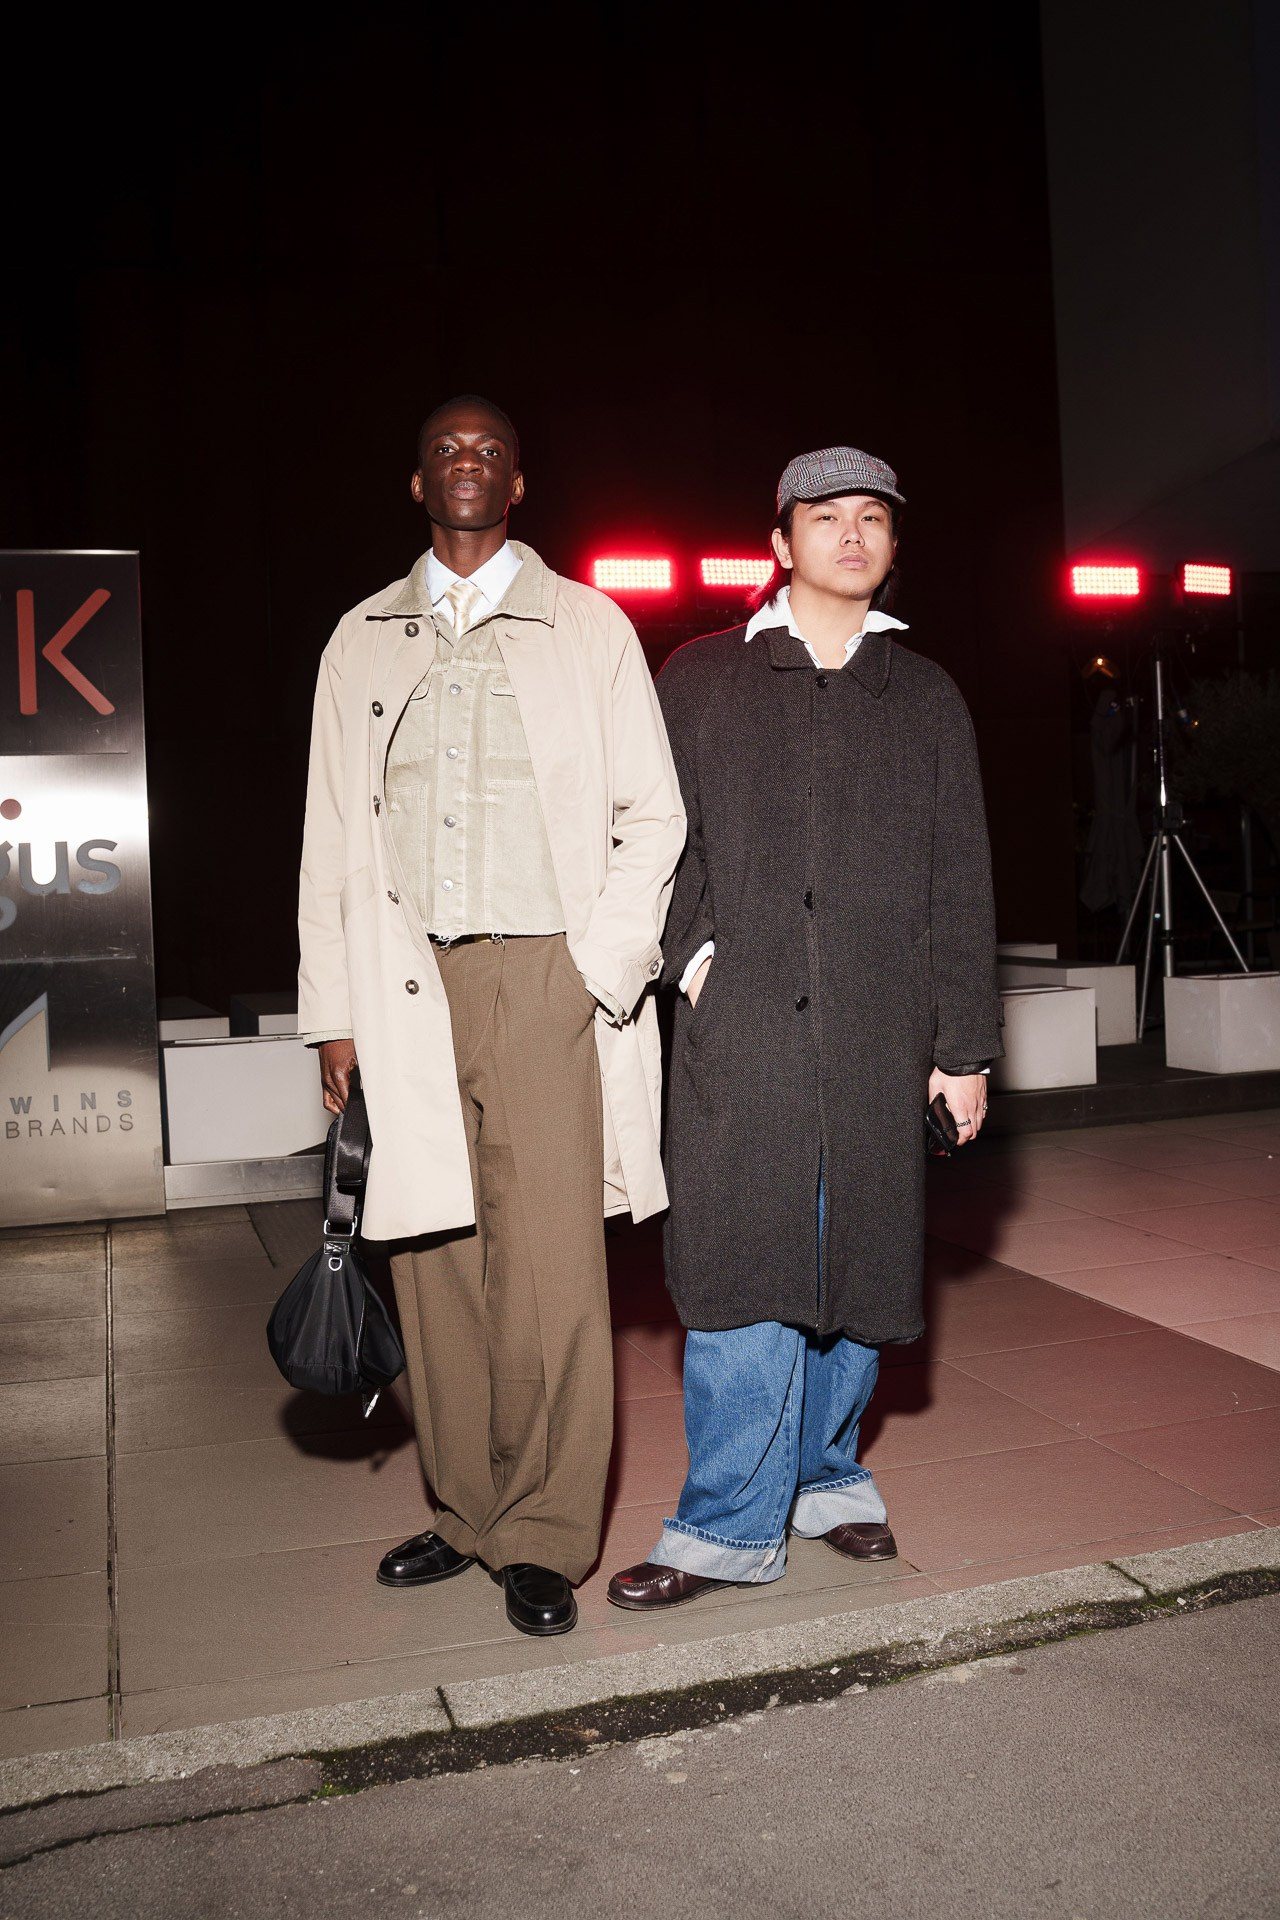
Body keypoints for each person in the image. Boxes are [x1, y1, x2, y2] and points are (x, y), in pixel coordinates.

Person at [299, 395, 685, 1636]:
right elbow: (326, 843)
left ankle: (545, 1533)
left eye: (489, 453)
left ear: (517, 486)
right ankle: (463, 1511)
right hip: (405, 983)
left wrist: (595, 972)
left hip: (544, 977)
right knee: (433, 1260)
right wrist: (334, 1016)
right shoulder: (361, 638)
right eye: (444, 452)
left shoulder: (588, 627)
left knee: (554, 1269)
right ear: (418, 485)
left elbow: (653, 815)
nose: (466, 466)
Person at [608, 445, 1001, 1610]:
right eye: (822, 515)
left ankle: (827, 1477)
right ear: (778, 543)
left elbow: (960, 880)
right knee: (742, 1272)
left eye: (870, 516)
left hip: (884, 1031)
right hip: (746, 1034)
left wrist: (962, 1047)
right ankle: (725, 1525)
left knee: (862, 1267)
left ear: (890, 544)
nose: (848, 533)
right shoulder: (697, 676)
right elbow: (650, 840)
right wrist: (693, 962)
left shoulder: (923, 694)